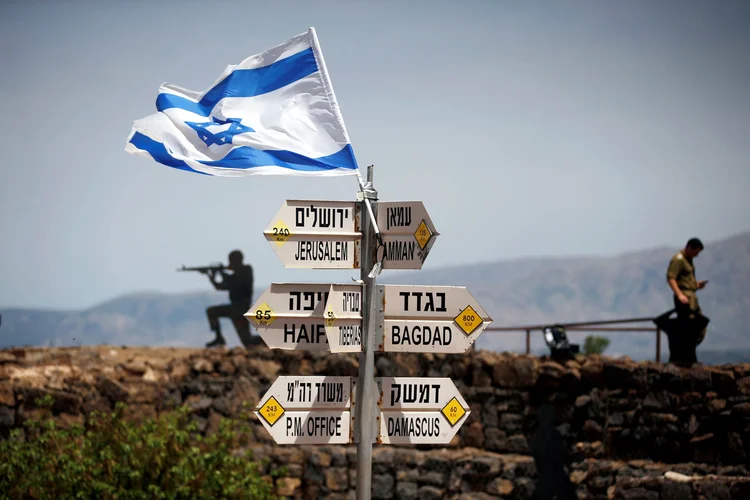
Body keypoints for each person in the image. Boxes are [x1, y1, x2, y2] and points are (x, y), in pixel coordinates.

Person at [205, 250, 257, 348]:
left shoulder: (246, 270)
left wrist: (221, 273)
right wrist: (212, 278)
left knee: (248, 341)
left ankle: (270, 343)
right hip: (235, 310)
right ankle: (219, 338)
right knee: (211, 312)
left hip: (240, 310)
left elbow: (234, 282)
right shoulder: (236, 274)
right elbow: (221, 286)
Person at [666, 238, 708, 347]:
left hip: (692, 296)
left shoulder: (688, 260)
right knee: (688, 326)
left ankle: (690, 348)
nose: (697, 255)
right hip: (685, 298)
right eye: (696, 252)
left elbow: (685, 280)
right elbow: (671, 278)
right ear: (689, 248)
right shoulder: (679, 259)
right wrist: (679, 294)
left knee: (699, 324)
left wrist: (697, 285)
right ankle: (685, 352)